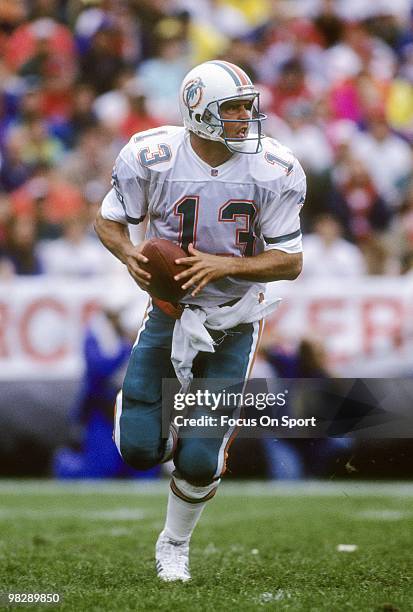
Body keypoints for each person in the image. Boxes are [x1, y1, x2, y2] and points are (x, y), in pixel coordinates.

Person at [95, 60, 306, 582]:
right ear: (197, 112)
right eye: (231, 108)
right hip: (170, 311)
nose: (244, 117)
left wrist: (227, 265)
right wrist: (129, 256)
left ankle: (175, 545)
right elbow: (109, 220)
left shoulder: (274, 168)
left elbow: (291, 260)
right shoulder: (152, 155)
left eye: (246, 106)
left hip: (235, 317)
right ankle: (140, 410)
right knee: (141, 449)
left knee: (199, 456)